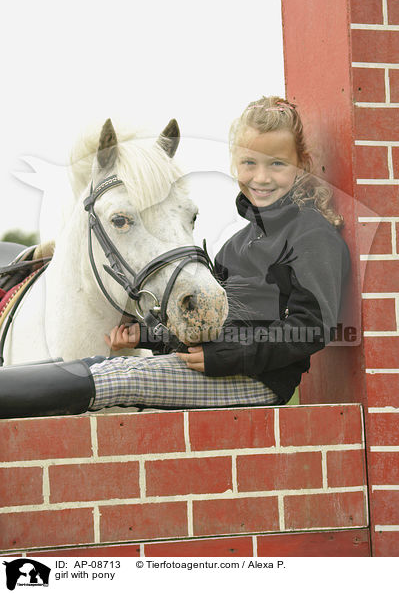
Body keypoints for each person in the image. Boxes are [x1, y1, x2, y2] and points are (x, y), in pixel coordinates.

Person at [0, 96, 350, 418]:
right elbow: (204, 328)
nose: (261, 176)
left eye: (277, 163)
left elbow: (311, 328)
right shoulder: (236, 244)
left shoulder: (311, 234)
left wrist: (224, 357)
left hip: (258, 381)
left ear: (301, 164)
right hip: (223, 366)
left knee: (119, 377)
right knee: (118, 367)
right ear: (234, 165)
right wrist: (146, 337)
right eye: (249, 162)